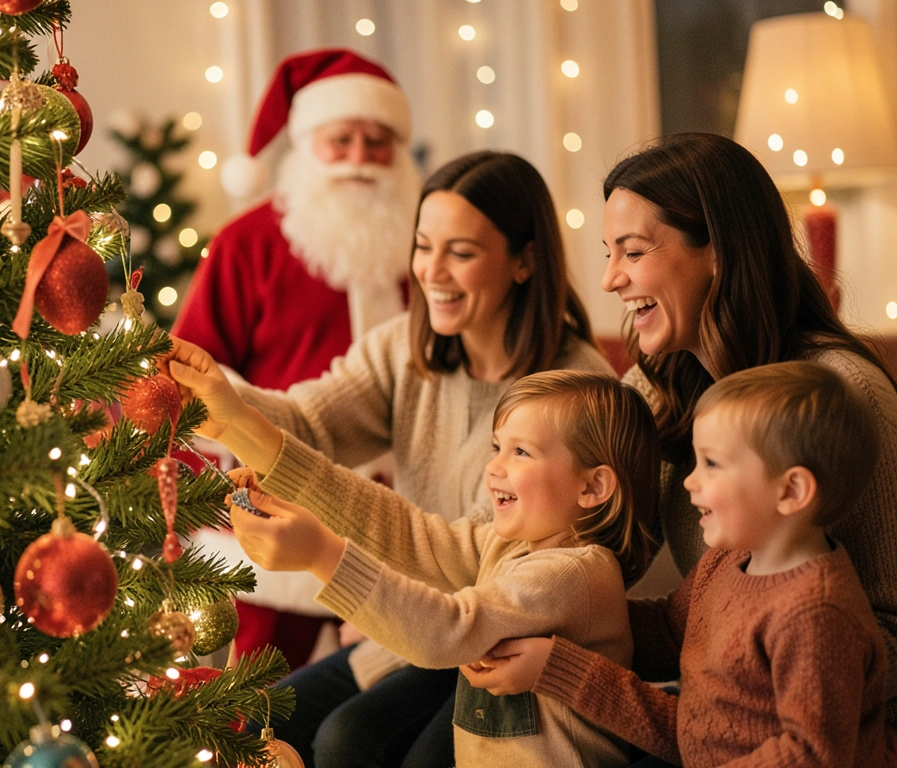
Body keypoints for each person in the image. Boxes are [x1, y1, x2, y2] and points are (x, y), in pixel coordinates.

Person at [460, 133, 897, 768]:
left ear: (719, 253)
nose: (610, 279)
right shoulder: (659, 381)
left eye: (634, 252)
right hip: (733, 717)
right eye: (608, 253)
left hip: (885, 736)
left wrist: (723, 688)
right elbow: (686, 616)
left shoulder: (843, 394)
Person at [171, 150, 613, 768]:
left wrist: (353, 588)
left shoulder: (571, 394)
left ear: (525, 261)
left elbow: (469, 567)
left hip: (496, 647)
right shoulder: (407, 351)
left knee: (347, 740)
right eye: (423, 246)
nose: (432, 271)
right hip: (405, 624)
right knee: (259, 722)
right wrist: (217, 392)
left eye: (461, 253)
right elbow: (309, 425)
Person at [221, 371, 659, 767]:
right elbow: (412, 537)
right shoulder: (508, 544)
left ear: (592, 486)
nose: (494, 466)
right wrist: (282, 479)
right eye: (496, 447)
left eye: (521, 452)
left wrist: (322, 554)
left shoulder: (575, 571)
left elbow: (447, 628)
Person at [174, 48, 422, 668]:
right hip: (276, 505)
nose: (361, 159)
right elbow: (195, 368)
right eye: (342, 140)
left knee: (379, 703)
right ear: (309, 145)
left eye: (378, 141)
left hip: (399, 518)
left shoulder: (424, 246)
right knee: (254, 706)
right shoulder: (247, 243)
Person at [528, 362, 897, 767]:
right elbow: (671, 633)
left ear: (791, 489)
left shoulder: (816, 614)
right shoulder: (730, 557)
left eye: (712, 464)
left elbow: (810, 756)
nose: (689, 481)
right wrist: (563, 616)